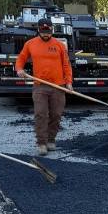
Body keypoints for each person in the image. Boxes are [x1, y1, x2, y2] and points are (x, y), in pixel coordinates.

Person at [15, 17, 73, 156]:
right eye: (43, 31)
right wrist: (19, 69)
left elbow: (66, 65)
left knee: (56, 114)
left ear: (52, 30)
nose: (46, 34)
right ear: (38, 30)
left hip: (58, 86)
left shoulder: (59, 45)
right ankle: (41, 143)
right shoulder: (30, 44)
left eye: (48, 31)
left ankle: (51, 140)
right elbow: (21, 58)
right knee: (40, 114)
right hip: (40, 85)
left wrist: (69, 82)